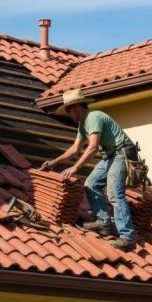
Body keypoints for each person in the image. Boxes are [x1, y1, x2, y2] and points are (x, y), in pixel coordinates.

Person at [41, 89, 137, 250]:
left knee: (114, 192)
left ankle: (127, 237)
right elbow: (75, 149)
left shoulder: (93, 117)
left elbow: (92, 147)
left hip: (122, 153)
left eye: (69, 110)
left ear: (77, 107)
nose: (69, 114)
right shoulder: (82, 125)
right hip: (110, 155)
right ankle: (103, 222)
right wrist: (54, 163)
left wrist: (75, 167)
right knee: (91, 184)